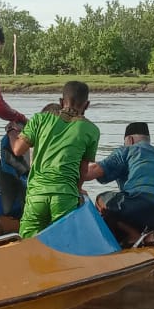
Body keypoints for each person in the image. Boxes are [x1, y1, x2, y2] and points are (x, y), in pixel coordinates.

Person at [13, 81, 100, 238]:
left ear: (61, 102)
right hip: (65, 196)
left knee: (27, 244)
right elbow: (83, 168)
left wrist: (12, 131)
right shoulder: (91, 130)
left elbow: (18, 150)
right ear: (86, 105)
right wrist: (78, 189)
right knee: (64, 242)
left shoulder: (40, 119)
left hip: (37, 195)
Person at [84, 122, 154, 247]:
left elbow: (94, 170)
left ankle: (133, 235)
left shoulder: (127, 151)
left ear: (129, 140)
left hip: (141, 205)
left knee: (102, 199)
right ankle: (149, 238)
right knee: (146, 201)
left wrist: (68, 176)